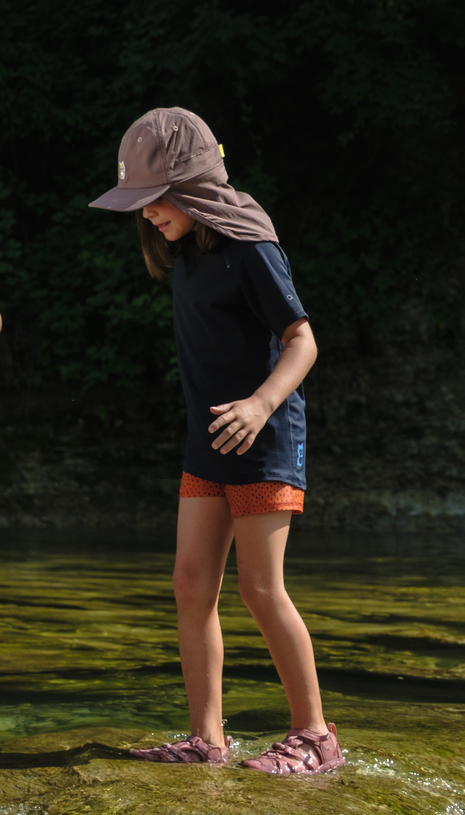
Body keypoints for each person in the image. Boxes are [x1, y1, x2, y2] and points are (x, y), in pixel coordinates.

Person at [89, 107, 344, 774]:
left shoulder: (252, 248)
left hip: (262, 437)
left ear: (195, 183)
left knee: (260, 588)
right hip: (208, 443)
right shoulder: (188, 257)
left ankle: (315, 736)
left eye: (153, 200)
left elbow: (303, 340)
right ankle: (208, 740)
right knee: (190, 583)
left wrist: (261, 405)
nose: (145, 215)